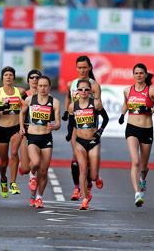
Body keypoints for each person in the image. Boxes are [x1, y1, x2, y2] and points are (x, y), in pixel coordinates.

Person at [119, 63, 154, 207]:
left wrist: (150, 109)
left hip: (146, 129)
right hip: (131, 129)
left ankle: (143, 180)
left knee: (143, 166)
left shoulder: (152, 91)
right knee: (135, 162)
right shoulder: (127, 90)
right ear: (133, 75)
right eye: (136, 73)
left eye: (141, 73)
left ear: (146, 75)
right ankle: (137, 194)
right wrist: (122, 115)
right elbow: (126, 104)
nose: (139, 75)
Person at [63, 55, 101, 202]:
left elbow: (98, 105)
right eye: (79, 67)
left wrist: (96, 128)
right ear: (76, 68)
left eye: (85, 67)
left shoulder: (94, 85)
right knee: (76, 156)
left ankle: (91, 181)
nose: (82, 70)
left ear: (90, 67)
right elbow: (68, 97)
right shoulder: (71, 84)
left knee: (89, 163)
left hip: (90, 125)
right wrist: (67, 112)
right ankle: (77, 187)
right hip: (75, 126)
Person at [19, 75, 61, 209]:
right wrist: (21, 127)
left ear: (49, 87)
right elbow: (22, 113)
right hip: (32, 136)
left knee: (43, 171)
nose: (42, 88)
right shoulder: (30, 99)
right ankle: (32, 174)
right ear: (37, 86)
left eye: (45, 86)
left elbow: (59, 123)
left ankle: (38, 197)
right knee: (35, 162)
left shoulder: (55, 102)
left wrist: (54, 126)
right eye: (40, 86)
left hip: (46, 138)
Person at [67, 79, 109, 210]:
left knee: (93, 175)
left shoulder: (95, 104)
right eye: (81, 89)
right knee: (83, 169)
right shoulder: (73, 106)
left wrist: (100, 132)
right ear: (77, 91)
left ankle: (97, 178)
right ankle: (84, 199)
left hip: (93, 142)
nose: (83, 92)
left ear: (90, 91)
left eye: (86, 89)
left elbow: (106, 119)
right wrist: (69, 135)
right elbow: (71, 123)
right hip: (80, 142)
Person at [0, 66, 27, 198]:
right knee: (3, 163)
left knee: (14, 153)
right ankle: (3, 179)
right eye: (6, 75)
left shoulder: (20, 91)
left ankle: (13, 183)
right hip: (2, 129)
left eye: (10, 75)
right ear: (2, 77)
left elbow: (30, 105)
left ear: (14, 77)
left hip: (16, 128)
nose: (8, 77)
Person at [18, 69, 42, 206]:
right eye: (32, 77)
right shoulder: (23, 95)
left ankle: (34, 196)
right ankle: (25, 166)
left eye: (37, 77)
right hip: (25, 131)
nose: (34, 79)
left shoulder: (44, 96)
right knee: (26, 168)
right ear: (28, 80)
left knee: (37, 165)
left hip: (40, 132)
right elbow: (20, 112)